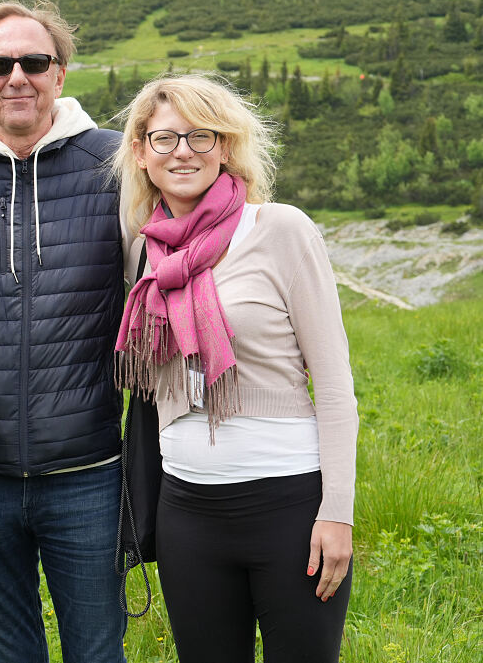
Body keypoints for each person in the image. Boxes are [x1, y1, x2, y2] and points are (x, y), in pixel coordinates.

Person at [112, 74, 357, 663]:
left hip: (288, 507)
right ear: (142, 154)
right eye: (165, 139)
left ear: (225, 147)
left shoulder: (280, 229)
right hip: (187, 513)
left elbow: (335, 384)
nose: (184, 152)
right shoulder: (144, 252)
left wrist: (337, 513)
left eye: (201, 136)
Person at [0, 0, 127, 663]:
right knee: (10, 654)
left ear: (60, 74)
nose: (19, 76)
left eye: (35, 61)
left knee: (97, 652)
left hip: (89, 467)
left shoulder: (117, 164)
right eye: (0, 63)